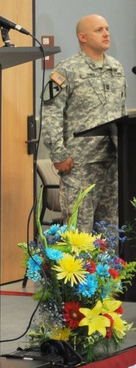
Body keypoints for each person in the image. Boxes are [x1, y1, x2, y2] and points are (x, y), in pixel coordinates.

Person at [42, 15, 127, 232]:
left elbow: (122, 112)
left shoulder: (116, 68)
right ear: (82, 37)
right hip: (80, 164)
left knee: (111, 232)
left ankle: (109, 268)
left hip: (113, 161)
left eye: (107, 29)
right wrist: (59, 154)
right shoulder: (65, 71)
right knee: (79, 232)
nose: (106, 33)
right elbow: (51, 112)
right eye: (99, 30)